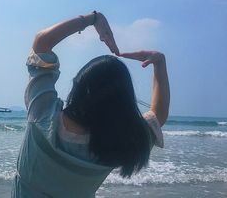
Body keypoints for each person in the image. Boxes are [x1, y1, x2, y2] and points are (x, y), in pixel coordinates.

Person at [12, 11, 170, 198]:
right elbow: (158, 116)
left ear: (79, 85)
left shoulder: (43, 115)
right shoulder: (121, 142)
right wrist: (159, 63)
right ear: (124, 103)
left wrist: (92, 19)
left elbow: (41, 42)